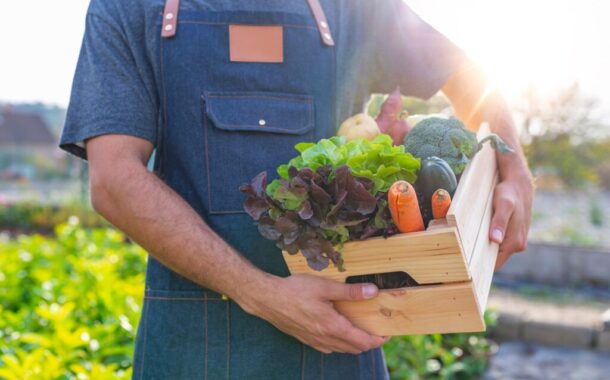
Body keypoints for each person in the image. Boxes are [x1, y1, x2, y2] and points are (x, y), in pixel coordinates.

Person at [60, 0, 533, 378]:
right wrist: (261, 294)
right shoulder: (125, 8)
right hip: (191, 344)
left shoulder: (353, 8)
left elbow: (467, 73)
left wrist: (514, 166)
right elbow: (114, 180)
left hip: (342, 339)